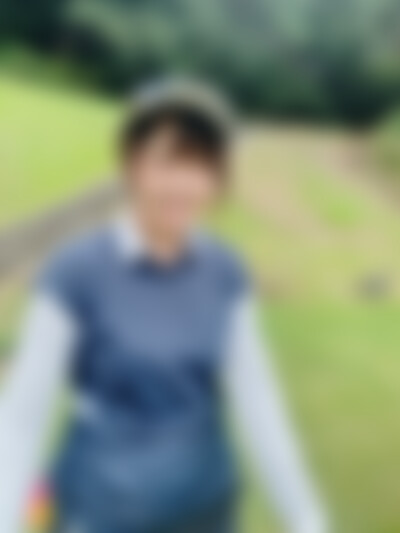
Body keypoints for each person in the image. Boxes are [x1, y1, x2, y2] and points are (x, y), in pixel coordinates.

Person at [0, 79, 327, 533]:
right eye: (168, 162)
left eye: (200, 165)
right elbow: (22, 420)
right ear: (133, 164)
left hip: (206, 513)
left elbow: (259, 402)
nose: (183, 184)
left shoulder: (225, 271)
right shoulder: (74, 272)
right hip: (101, 514)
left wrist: (307, 519)